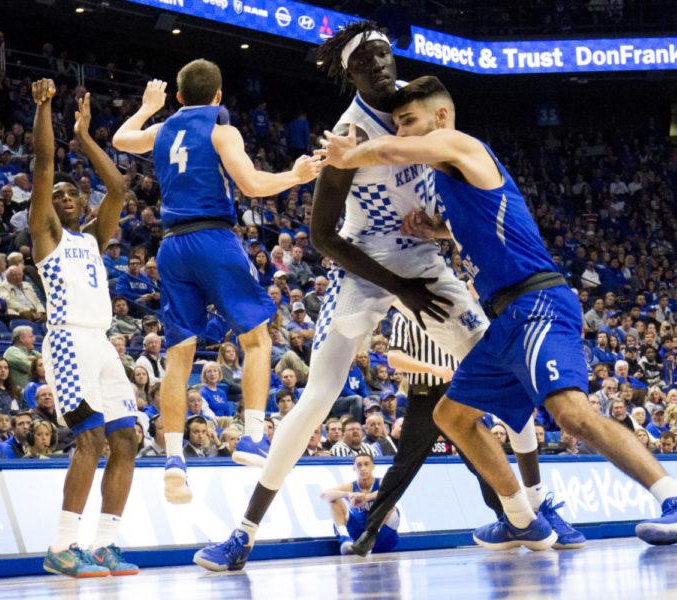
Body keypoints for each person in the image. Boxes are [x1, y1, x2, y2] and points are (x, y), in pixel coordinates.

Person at [316, 73, 677, 547]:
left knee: (570, 412)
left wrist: (350, 155)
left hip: (537, 301)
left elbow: (388, 152)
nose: (402, 132)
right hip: (506, 317)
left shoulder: (462, 144)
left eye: (408, 122)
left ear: (441, 117)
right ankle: (520, 517)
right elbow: (491, 226)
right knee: (452, 417)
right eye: (398, 124)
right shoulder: (454, 178)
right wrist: (439, 233)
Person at [194, 23, 491, 572]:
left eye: (385, 55)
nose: (380, 65)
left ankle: (531, 511)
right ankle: (243, 532)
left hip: (423, 258)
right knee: (318, 396)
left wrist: (447, 233)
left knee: (495, 361)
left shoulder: (420, 107)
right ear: (349, 73)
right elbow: (322, 237)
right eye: (367, 61)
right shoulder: (345, 136)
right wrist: (398, 286)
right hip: (362, 267)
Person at [111, 62, 320, 503]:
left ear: (180, 98)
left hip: (171, 247)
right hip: (213, 238)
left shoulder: (163, 128)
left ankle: (172, 460)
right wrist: (295, 176)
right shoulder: (223, 131)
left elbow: (119, 140)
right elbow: (252, 185)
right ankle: (251, 436)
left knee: (178, 354)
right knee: (257, 340)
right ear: (219, 97)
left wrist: (148, 107)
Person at [348, 311, 583, 556]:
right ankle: (370, 531)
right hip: (423, 397)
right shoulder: (402, 318)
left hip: (456, 394)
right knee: (402, 467)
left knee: (480, 463)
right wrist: (435, 368)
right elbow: (394, 358)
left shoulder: (449, 306)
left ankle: (511, 519)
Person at [29, 80, 139, 578]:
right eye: (59, 195)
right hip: (69, 340)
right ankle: (62, 545)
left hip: (102, 342)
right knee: (90, 441)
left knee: (127, 441)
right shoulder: (45, 233)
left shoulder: (93, 236)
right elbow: (43, 165)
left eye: (74, 192)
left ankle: (104, 545)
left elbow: (118, 188)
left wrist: (85, 135)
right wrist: (47, 108)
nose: (67, 197)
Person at [320, 454, 399, 555]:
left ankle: (370, 538)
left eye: (366, 464)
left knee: (389, 502)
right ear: (354, 468)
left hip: (383, 534)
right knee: (333, 500)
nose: (363, 468)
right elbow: (323, 495)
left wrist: (367, 497)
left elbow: (392, 491)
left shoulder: (381, 482)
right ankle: (346, 539)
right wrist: (348, 494)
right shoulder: (350, 487)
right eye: (359, 465)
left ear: (373, 466)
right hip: (359, 532)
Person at [3, 325, 41, 391]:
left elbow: (48, 363)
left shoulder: (33, 352)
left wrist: (34, 359)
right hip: (18, 395)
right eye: (31, 337)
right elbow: (30, 367)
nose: (34, 339)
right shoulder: (11, 351)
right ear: (22, 339)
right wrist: (37, 362)